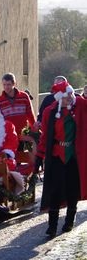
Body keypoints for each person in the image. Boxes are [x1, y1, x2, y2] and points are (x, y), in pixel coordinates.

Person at [34, 81, 87, 239]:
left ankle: (69, 221)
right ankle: (52, 226)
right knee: (55, 191)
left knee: (73, 189)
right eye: (66, 96)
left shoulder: (81, 106)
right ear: (58, 98)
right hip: (57, 155)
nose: (70, 97)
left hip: (74, 155)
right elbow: (45, 138)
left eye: (71, 94)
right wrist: (39, 157)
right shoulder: (49, 113)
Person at [0, 73, 36, 138]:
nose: (6, 87)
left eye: (8, 84)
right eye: (4, 85)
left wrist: (34, 130)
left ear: (14, 84)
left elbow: (30, 114)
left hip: (23, 135)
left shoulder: (24, 97)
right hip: (8, 136)